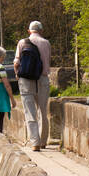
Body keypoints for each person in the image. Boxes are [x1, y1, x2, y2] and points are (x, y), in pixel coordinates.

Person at [14, 20, 51, 150]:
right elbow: (47, 62)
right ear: (41, 31)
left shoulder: (22, 42)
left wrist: (17, 75)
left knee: (29, 112)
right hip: (42, 79)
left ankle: (35, 142)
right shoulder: (46, 43)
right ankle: (43, 141)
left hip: (25, 80)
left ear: (29, 31)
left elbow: (16, 62)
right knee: (42, 110)